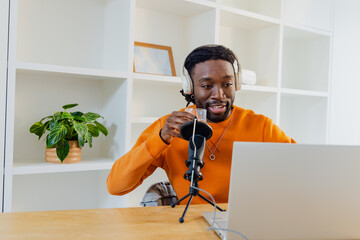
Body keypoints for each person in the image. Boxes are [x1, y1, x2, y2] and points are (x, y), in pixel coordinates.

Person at [107, 44, 295, 204]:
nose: (219, 95)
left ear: (236, 84)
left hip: (244, 224)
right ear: (190, 88)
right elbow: (115, 186)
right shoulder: (168, 128)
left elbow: (302, 173)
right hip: (190, 225)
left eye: (227, 84)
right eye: (206, 86)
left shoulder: (261, 126)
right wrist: (160, 139)